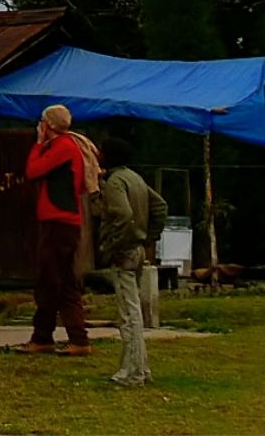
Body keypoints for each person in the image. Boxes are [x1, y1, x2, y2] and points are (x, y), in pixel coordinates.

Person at [20, 103, 97, 355]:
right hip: (63, 220)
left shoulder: (63, 146)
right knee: (62, 282)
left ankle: (46, 336)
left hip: (57, 220)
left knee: (50, 281)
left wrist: (38, 143)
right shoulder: (69, 145)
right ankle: (72, 337)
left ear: (48, 125)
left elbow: (33, 171)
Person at [92, 137, 167, 388]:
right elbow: (160, 207)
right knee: (132, 309)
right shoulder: (134, 178)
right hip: (137, 248)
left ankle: (132, 372)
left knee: (129, 313)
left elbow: (122, 214)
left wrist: (112, 244)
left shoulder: (115, 182)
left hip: (124, 251)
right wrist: (148, 237)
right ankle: (141, 368)